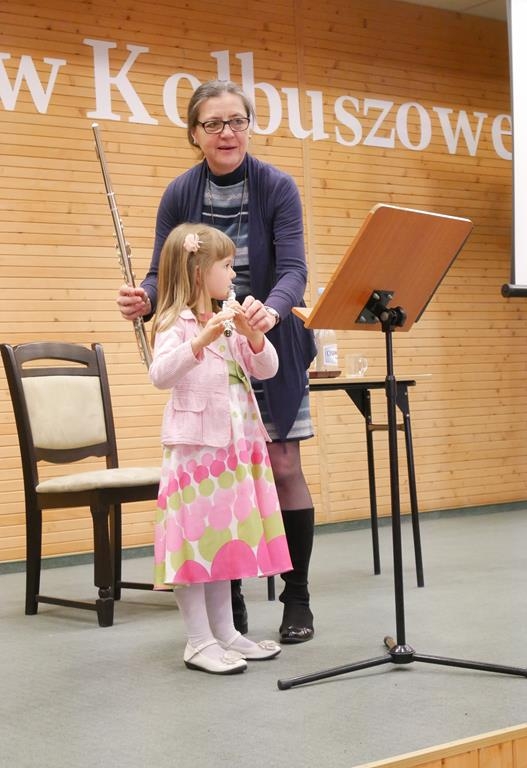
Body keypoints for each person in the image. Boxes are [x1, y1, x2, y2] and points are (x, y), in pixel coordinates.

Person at [117, 79, 317, 644]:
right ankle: (228, 604)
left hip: (266, 335)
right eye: (213, 123)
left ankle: (297, 596)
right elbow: (161, 273)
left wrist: (268, 313)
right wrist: (145, 298)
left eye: (237, 121)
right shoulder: (180, 192)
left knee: (283, 466)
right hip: (209, 345)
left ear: (249, 126)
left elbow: (295, 270)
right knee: (220, 474)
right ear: (194, 133)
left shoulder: (277, 186)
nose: (227, 132)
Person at [149, 222, 291, 674]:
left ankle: (226, 633)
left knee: (222, 538)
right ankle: (197, 641)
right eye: (227, 266)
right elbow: (160, 375)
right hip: (195, 451)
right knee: (193, 543)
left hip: (235, 446)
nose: (233, 274)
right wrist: (200, 339)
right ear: (198, 271)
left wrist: (252, 335)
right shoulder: (174, 322)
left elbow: (267, 368)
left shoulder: (228, 320)